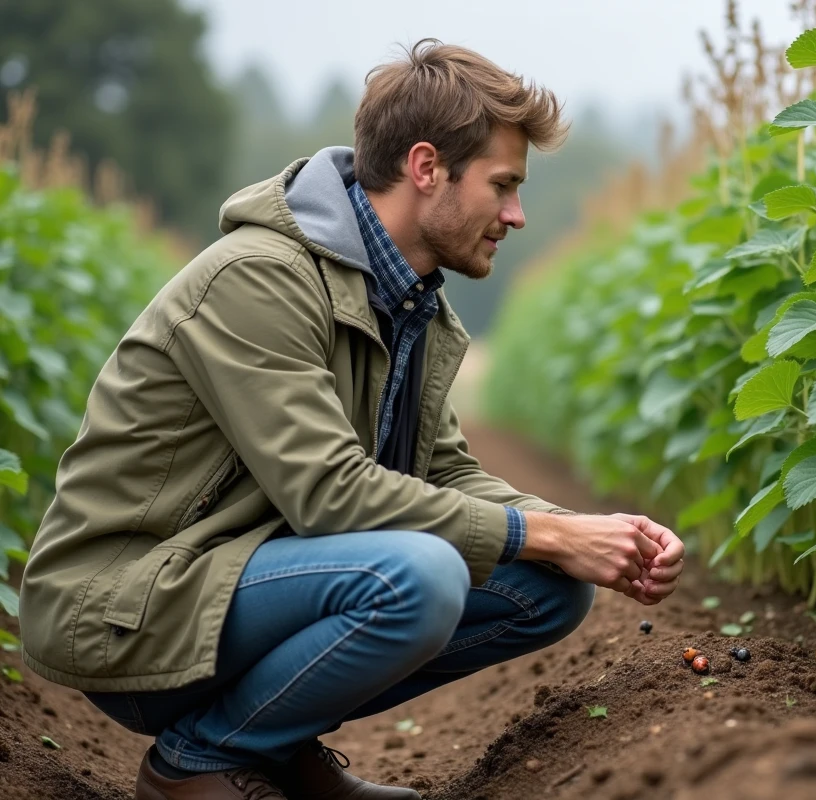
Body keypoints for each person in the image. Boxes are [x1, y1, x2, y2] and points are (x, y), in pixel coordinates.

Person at [17, 39, 685, 800]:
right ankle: (198, 760)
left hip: (235, 582)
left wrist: (587, 533)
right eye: (503, 186)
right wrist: (552, 533)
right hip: (128, 607)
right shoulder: (258, 280)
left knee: (551, 589)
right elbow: (331, 493)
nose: (517, 215)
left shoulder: (410, 302)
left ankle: (274, 745)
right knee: (425, 577)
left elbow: (444, 472)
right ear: (427, 167)